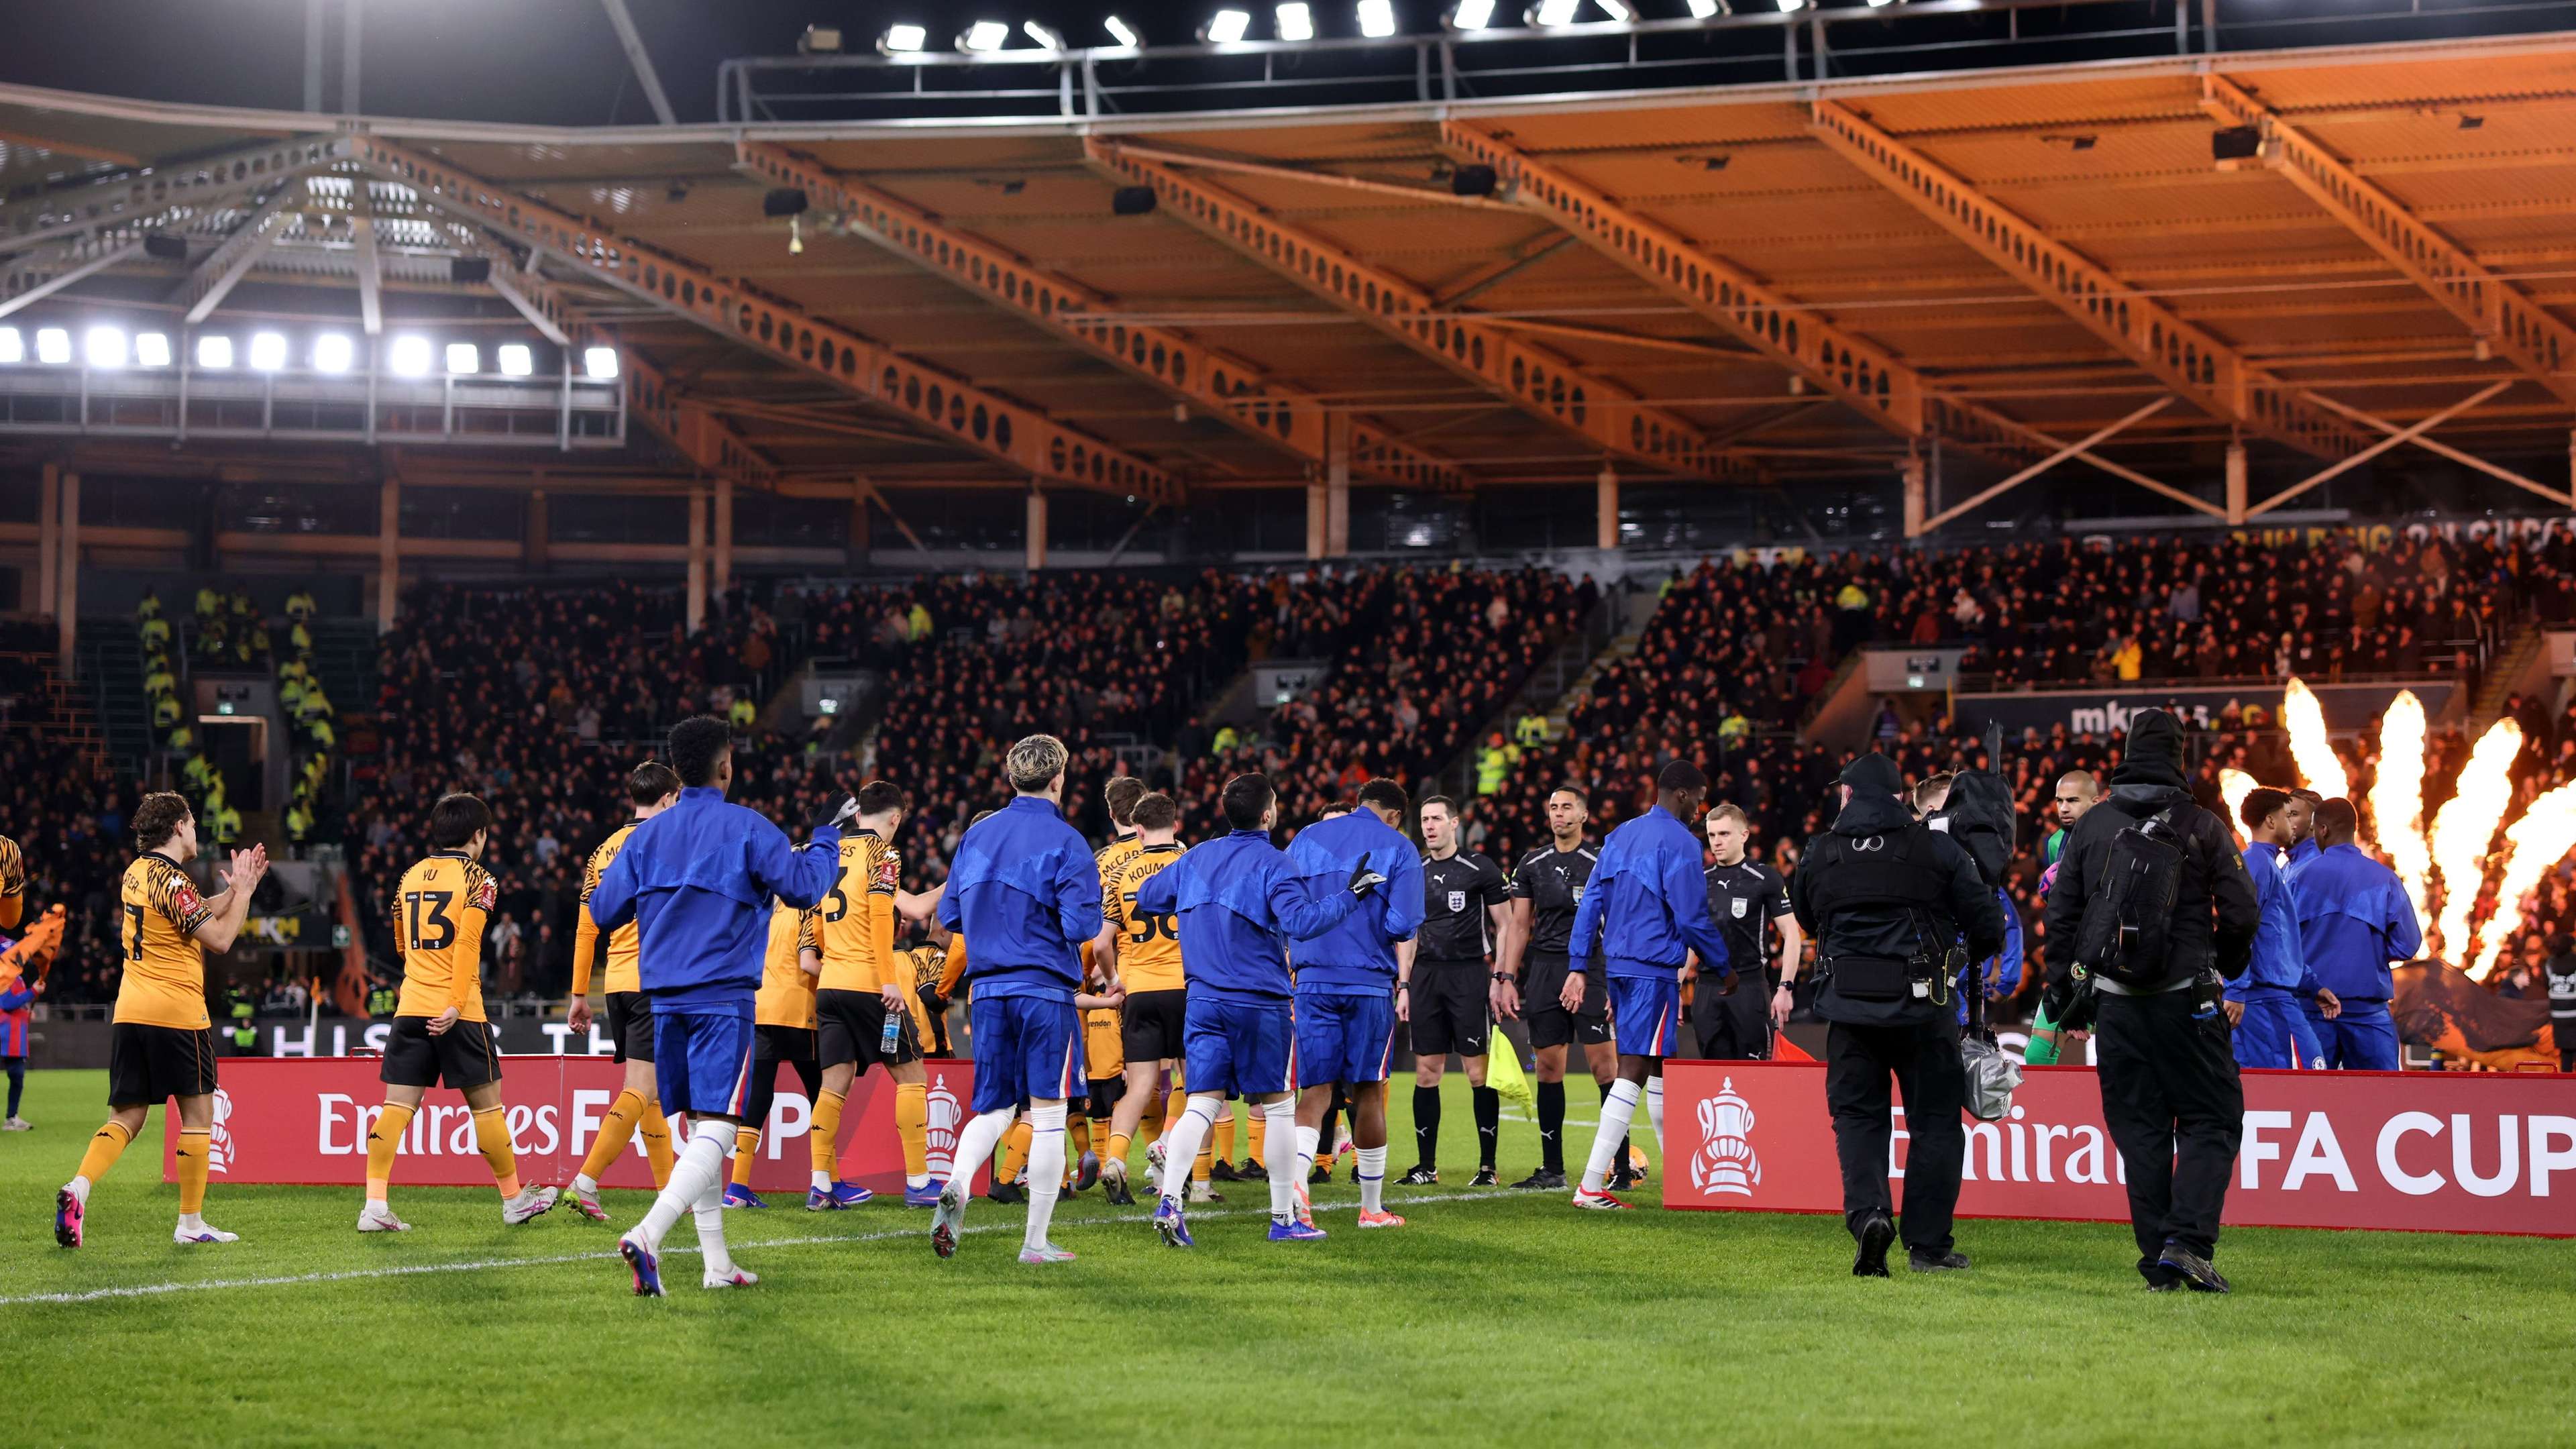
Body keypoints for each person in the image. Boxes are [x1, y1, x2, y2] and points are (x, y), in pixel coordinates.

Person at [588, 716, 849, 1295]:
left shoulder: (645, 837)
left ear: (676, 771)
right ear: (726, 766)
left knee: (703, 1129)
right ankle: (649, 1233)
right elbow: (805, 888)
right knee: (722, 1130)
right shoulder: (748, 827)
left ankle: (717, 1265)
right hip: (722, 1000)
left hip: (663, 1003)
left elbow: (603, 911)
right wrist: (827, 836)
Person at [2044, 708, 2257, 1293]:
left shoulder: (2092, 826)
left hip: (2115, 1003)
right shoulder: (2202, 825)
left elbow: (2060, 915)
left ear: (2127, 752)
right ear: (2179, 756)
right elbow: (2243, 911)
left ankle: (2159, 1259)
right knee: (2213, 1119)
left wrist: (2065, 993)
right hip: (2188, 1002)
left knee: (2140, 1132)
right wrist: (2225, 964)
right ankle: (2186, 1244)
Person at [1136, 772, 1381, 1247]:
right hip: (1259, 1003)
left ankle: (1170, 1202)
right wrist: (1352, 894)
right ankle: (1284, 1219)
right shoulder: (1275, 862)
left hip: (1203, 1000)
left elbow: (1148, 898)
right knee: (1280, 1109)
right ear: (1267, 814)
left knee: (1201, 1104)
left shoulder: (1197, 857)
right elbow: (1302, 922)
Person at [1793, 754, 2003, 1275]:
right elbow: (1986, 923)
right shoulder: (1936, 848)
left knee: (1858, 1120)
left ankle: (1869, 1215)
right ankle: (1928, 1247)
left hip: (1848, 1011)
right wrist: (1966, 951)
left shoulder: (1821, 851)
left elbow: (1806, 916)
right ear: (1900, 797)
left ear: (1848, 795)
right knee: (1935, 1124)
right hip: (1923, 1009)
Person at [55, 793, 268, 1248]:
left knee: (126, 1117)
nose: (195, 831)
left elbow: (189, 911)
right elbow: (220, 940)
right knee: (198, 1115)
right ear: (177, 828)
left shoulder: (138, 873)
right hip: (177, 1013)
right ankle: (190, 1224)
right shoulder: (173, 881)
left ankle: (79, 1187)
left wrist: (231, 892)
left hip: (131, 1010)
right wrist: (246, 894)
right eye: (191, 823)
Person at [929, 734, 1107, 1265]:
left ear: (1011, 779)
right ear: (1059, 779)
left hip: (986, 992)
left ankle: (958, 1181)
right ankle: (1034, 1243)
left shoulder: (976, 836)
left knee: (994, 1107)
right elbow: (1082, 926)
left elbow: (951, 916)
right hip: (1045, 991)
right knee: (1049, 1115)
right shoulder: (1068, 841)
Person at [359, 794, 560, 1232]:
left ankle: (374, 1206)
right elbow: (468, 943)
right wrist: (453, 1002)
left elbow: (399, 942)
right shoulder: (478, 878)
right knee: (488, 1108)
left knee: (396, 1107)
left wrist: (422, 972)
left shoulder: (410, 875)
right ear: (479, 834)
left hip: (410, 1006)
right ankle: (514, 1200)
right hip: (460, 1011)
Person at [1564, 760, 1735, 1211]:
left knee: (1660, 1065)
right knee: (1636, 1067)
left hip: (1618, 968)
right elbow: (1691, 917)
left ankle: (1681, 1180)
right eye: (1699, 800)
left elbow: (1591, 904)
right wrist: (1724, 966)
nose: (1700, 810)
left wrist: (1579, 963)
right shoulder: (1681, 842)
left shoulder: (1619, 835)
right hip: (1652, 969)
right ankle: (1590, 1186)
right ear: (1682, 794)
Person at [1284, 778, 1424, 1230]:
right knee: (1368, 1091)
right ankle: (1372, 1209)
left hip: (1312, 981)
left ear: (1361, 803)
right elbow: (1403, 923)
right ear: (1395, 815)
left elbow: (1284, 906)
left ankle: (1296, 1192)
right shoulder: (1398, 847)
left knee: (1315, 1091)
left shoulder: (1307, 837)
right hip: (1367, 983)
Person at [810, 780, 944, 1212]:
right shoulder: (884, 854)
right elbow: (884, 919)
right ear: (896, 818)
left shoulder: (831, 853)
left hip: (830, 986)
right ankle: (919, 1181)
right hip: (870, 986)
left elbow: (817, 926)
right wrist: (889, 982)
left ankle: (820, 1185)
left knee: (834, 1085)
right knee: (912, 1076)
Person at [558, 761, 683, 1221]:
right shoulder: (670, 841)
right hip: (655, 981)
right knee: (641, 1089)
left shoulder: (603, 850)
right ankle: (585, 1182)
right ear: (668, 798)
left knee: (650, 1093)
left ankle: (670, 1192)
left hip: (617, 984)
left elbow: (586, 928)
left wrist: (579, 994)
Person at [1495, 786, 1617, 1190]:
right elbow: (1519, 926)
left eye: (1567, 807)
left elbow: (1617, 922)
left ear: (1584, 815)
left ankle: (1620, 1167)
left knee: (1605, 1067)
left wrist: (1614, 982)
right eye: (1553, 807)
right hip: (1545, 970)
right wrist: (1507, 978)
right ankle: (1553, 1169)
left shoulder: (1601, 860)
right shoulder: (1533, 863)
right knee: (1548, 1068)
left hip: (1593, 966)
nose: (1559, 814)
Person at [1405, 796, 1513, 1186]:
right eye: (1424, 820)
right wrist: (1404, 985)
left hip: (1468, 975)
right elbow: (1407, 933)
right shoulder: (1413, 871)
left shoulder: (1479, 867)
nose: (1429, 826)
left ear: (1454, 823)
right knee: (1426, 1072)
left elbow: (1506, 924)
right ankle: (1426, 1167)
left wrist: (1501, 977)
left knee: (1476, 1072)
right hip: (1425, 977)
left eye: (1436, 819)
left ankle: (1487, 1167)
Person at [1096, 790, 1187, 1208]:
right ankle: (1170, 1148)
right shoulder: (1189, 864)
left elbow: (1102, 944)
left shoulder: (1122, 872)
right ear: (1176, 825)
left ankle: (1115, 1159)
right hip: (1185, 986)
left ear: (1138, 829)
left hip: (1140, 989)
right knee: (1195, 1083)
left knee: (1139, 1087)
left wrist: (1115, 981)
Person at [2288, 798, 2421, 1072]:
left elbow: (2282, 945)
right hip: (2368, 1014)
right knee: (2380, 1095)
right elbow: (2409, 944)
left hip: (2312, 1010)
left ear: (2323, 830)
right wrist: (2369, 952)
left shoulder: (2297, 878)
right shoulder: (2385, 878)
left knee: (2306, 1094)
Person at [724, 897, 830, 1210]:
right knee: (823, 1096)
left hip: (761, 1007)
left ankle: (737, 1187)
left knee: (758, 1096)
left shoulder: (765, 909)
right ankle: (827, 1183)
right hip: (798, 1009)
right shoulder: (808, 908)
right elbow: (808, 962)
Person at [2231, 789, 2339, 1071]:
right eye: (2286, 815)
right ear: (2270, 820)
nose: (2292, 824)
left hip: (2276, 997)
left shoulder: (2269, 864)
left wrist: (2311, 985)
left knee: (2306, 1077)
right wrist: (2236, 990)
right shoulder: (2255, 863)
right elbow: (2240, 927)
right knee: (2292, 1083)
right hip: (2264, 1002)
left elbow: (2278, 940)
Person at [1695, 802, 1803, 1061]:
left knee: (1755, 1075)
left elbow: (1791, 934)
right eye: (1712, 835)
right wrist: (1676, 986)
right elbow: (1692, 938)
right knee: (1711, 1075)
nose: (1716, 842)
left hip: (1749, 987)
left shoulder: (1764, 877)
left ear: (1744, 835)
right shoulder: (1699, 879)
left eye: (1724, 834)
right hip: (1707, 989)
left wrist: (1785, 987)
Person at [2546, 936, 2576, 1073]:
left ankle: (2566, 1078)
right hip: (2574, 1011)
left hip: (2558, 1014)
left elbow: (2546, 982)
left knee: (2565, 1050)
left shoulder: (2550, 962)